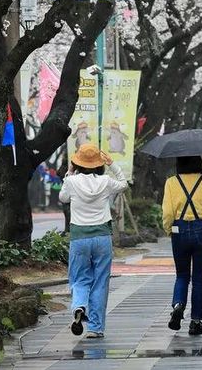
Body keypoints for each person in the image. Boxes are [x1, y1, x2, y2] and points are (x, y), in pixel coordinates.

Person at [59, 143, 127, 339]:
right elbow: (123, 184)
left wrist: (69, 173)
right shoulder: (105, 181)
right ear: (98, 163)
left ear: (77, 162)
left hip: (79, 238)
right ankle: (95, 328)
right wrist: (112, 164)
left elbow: (63, 198)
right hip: (102, 237)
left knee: (79, 278)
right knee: (100, 282)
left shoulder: (71, 182)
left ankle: (79, 306)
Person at [162, 156, 202, 336]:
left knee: (182, 274)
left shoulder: (171, 182)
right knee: (199, 277)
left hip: (179, 229)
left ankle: (178, 305)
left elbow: (168, 212)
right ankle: (196, 322)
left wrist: (169, 229)